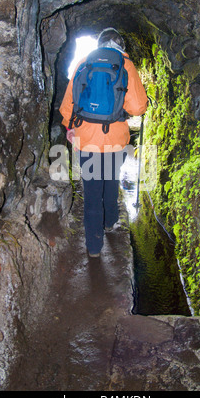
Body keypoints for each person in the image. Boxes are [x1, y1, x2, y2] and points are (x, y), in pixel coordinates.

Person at [59, 28, 148, 257]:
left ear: (99, 44)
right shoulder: (125, 63)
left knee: (91, 192)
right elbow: (138, 107)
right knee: (111, 180)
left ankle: (94, 248)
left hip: (86, 139)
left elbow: (68, 104)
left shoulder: (84, 62)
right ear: (121, 46)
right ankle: (110, 222)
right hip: (116, 140)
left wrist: (71, 128)